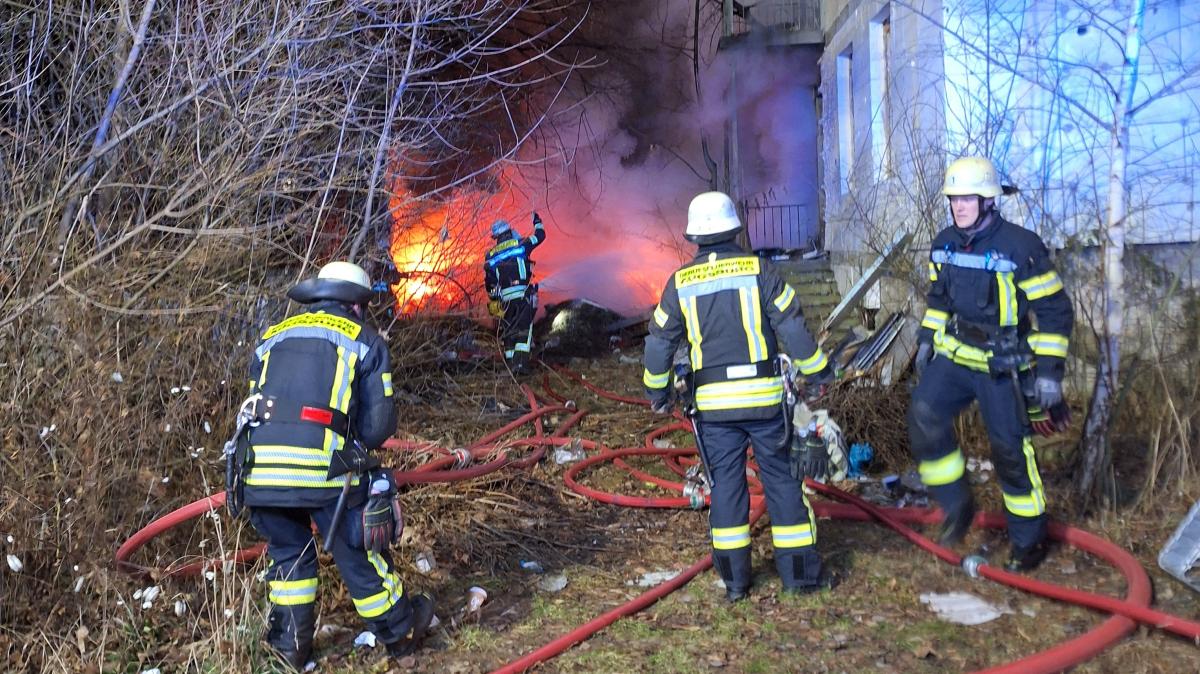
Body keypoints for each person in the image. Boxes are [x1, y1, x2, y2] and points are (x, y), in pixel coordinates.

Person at [236, 261, 434, 669]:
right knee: (355, 547)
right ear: (357, 305)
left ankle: (289, 650)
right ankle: (400, 632)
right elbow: (378, 428)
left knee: (288, 554)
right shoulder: (365, 341)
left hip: (257, 471)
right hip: (322, 471)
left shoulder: (270, 338)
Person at [641, 191, 836, 601]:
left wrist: (657, 392)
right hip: (765, 404)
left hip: (714, 411)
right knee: (783, 484)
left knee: (727, 490)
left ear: (694, 235)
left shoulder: (680, 283)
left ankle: (735, 584)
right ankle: (800, 579)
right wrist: (818, 372)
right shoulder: (760, 271)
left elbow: (659, 343)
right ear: (735, 227)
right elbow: (793, 326)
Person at [910, 157, 1074, 572]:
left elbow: (1055, 311)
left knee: (1010, 452)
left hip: (1003, 365)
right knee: (924, 417)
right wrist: (928, 338)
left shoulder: (1021, 247)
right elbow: (938, 299)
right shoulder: (944, 243)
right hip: (957, 356)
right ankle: (957, 506)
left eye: (967, 198)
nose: (958, 207)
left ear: (988, 201)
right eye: (953, 199)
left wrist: (1051, 374)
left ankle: (1028, 540)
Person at [484, 213, 546, 374]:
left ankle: (511, 366)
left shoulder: (490, 256)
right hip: (521, 296)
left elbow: (490, 284)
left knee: (509, 332)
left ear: (496, 237)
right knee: (524, 330)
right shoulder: (521, 244)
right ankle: (520, 366)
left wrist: (494, 299)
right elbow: (540, 236)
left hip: (505, 302)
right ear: (509, 232)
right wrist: (537, 222)